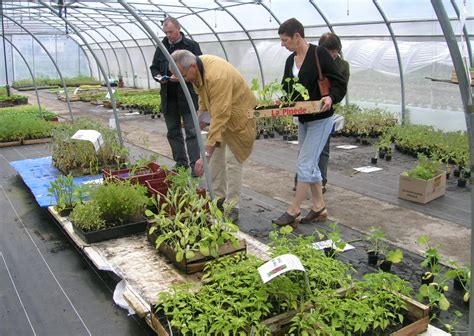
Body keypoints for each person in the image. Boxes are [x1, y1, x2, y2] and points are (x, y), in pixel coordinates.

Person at [272, 18, 347, 227]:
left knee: (304, 163)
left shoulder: (318, 54)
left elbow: (339, 83)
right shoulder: (290, 60)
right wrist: (282, 100)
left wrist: (331, 97)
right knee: (310, 163)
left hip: (321, 119)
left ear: (297, 36)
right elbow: (287, 88)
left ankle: (293, 210)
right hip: (303, 119)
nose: (282, 44)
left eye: (285, 40)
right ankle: (318, 207)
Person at [170, 49, 257, 222]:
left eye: (184, 75)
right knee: (216, 159)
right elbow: (204, 98)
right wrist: (201, 115)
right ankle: (218, 199)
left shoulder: (217, 76)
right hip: (223, 116)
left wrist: (205, 154)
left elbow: (220, 116)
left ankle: (232, 207)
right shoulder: (198, 69)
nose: (184, 80)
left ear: (192, 66)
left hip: (240, 118)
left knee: (232, 160)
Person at [149, 17, 202, 174]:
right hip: (169, 96)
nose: (168, 35)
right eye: (166, 32)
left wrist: (182, 77)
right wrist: (159, 77)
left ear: (178, 29)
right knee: (173, 131)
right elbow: (154, 67)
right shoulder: (162, 46)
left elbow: (199, 67)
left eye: (171, 32)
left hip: (187, 96)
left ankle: (194, 165)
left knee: (192, 131)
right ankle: (181, 163)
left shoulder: (191, 46)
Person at [316, 32, 350, 193]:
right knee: (305, 149)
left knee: (323, 147)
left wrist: (330, 98)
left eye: (335, 51)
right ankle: (301, 178)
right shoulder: (314, 62)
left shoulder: (343, 66)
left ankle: (322, 180)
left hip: (327, 109)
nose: (332, 54)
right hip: (310, 109)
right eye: (329, 51)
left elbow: (342, 87)